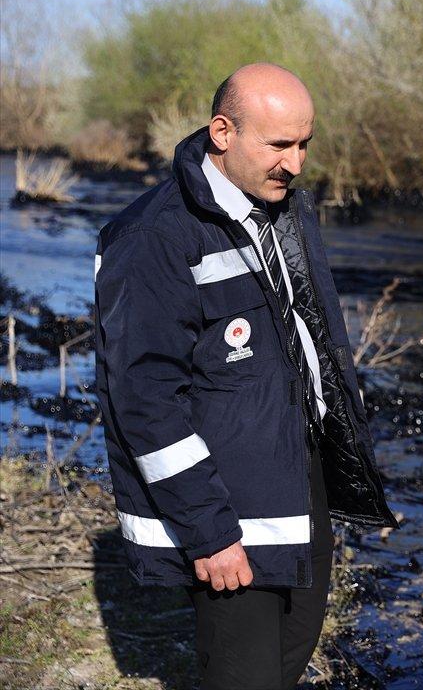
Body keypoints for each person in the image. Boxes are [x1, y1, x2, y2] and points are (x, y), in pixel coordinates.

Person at [93, 63, 394, 689]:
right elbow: (144, 402)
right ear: (223, 132)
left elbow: (305, 344)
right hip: (225, 505)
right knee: (244, 675)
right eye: (280, 144)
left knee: (289, 654)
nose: (297, 163)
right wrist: (208, 531)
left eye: (305, 143)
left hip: (294, 479)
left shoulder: (281, 207)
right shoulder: (156, 237)